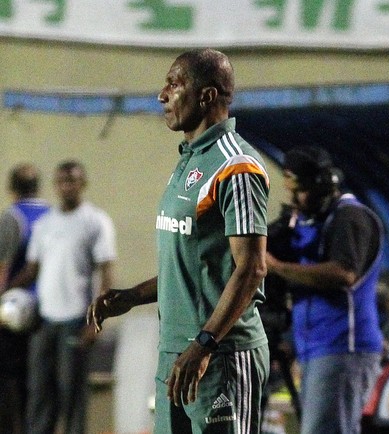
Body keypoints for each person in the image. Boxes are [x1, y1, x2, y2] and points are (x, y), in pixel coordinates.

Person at [87, 48, 270, 434]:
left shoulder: (235, 166)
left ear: (206, 96)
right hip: (176, 354)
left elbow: (251, 268)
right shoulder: (189, 160)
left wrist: (204, 344)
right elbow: (192, 266)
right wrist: (131, 297)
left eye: (174, 83)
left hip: (220, 357)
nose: (162, 94)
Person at [265, 145, 384, 434]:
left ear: (323, 185)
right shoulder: (314, 220)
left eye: (300, 190)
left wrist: (277, 267)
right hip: (315, 347)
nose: (293, 199)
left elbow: (344, 273)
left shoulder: (350, 218)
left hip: (344, 347)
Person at [10, 160, 117, 434]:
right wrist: (7, 289)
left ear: (82, 184)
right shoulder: (45, 224)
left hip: (75, 320)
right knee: (39, 391)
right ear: (55, 186)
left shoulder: (95, 222)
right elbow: (32, 269)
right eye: (62, 181)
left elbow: (106, 273)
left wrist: (96, 321)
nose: (66, 186)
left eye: (72, 181)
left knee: (71, 393)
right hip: (44, 321)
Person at [0, 163, 50, 434]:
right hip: (46, 312)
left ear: (11, 189)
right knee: (38, 383)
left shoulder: (12, 218)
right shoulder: (52, 214)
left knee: (11, 383)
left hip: (14, 314)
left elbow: (3, 268)